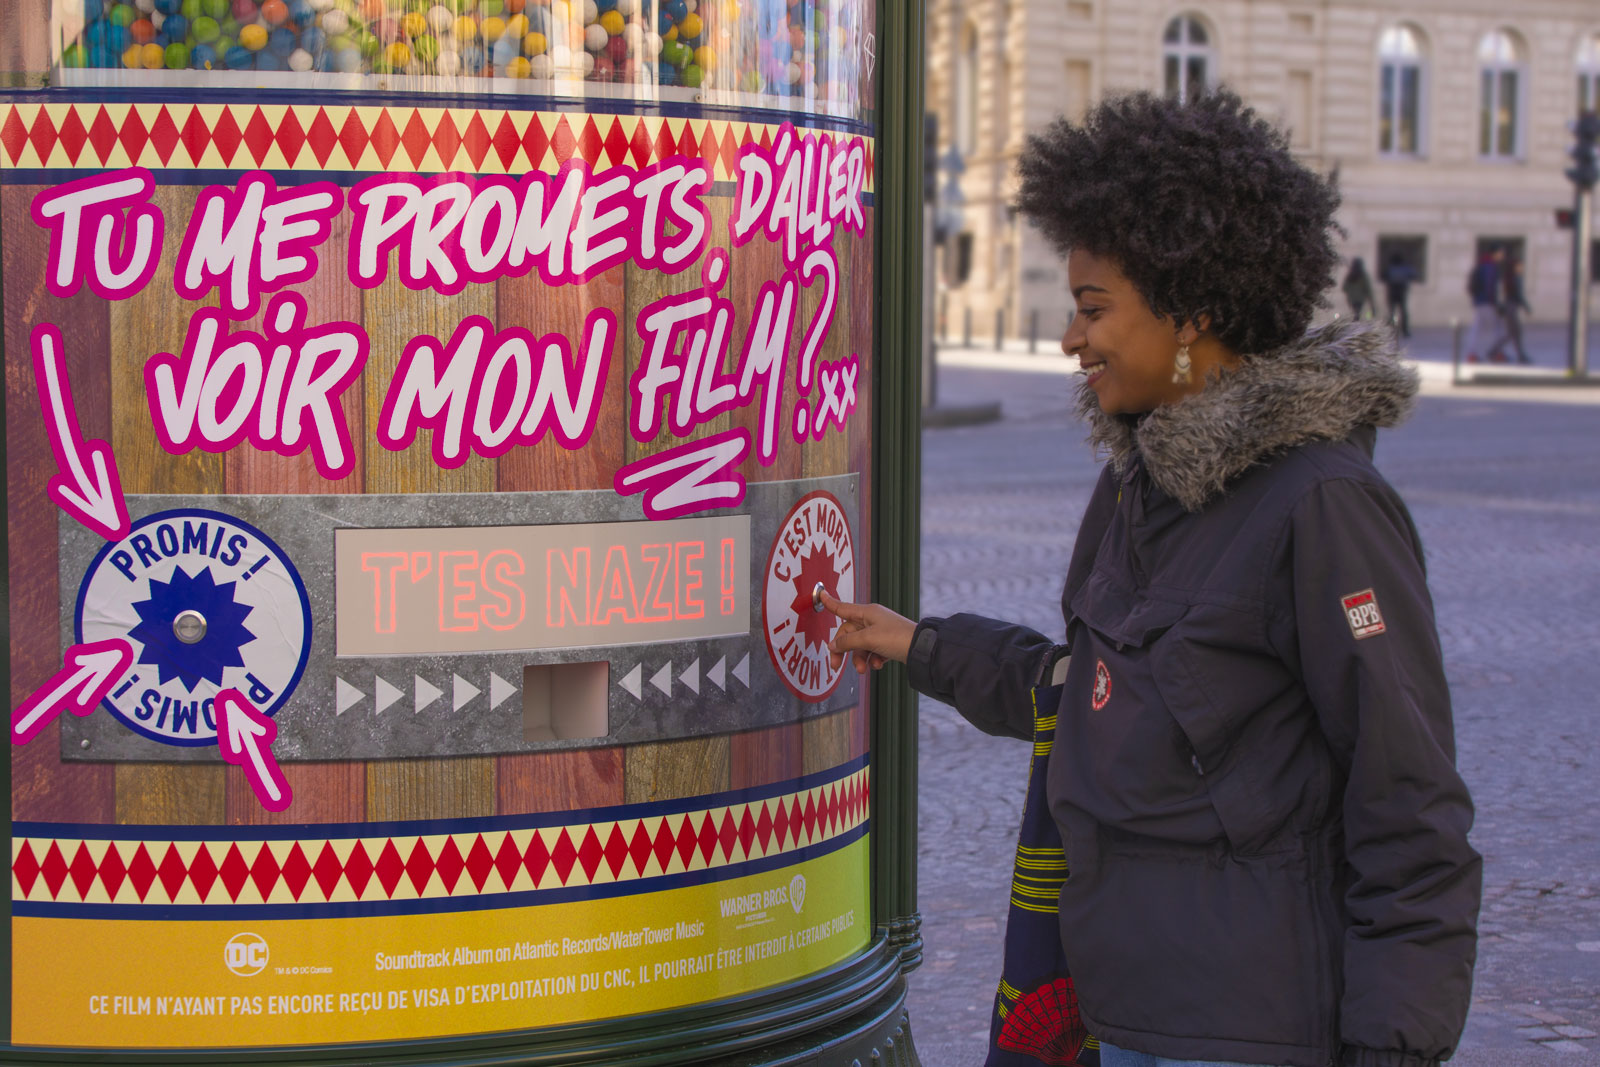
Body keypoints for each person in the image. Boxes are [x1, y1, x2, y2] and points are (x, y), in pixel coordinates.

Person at [823, 89, 1481, 1067]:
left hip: (1252, 1029)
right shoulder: (1137, 481)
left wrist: (1390, 1044)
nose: (1069, 339)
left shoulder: (1322, 504)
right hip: (1115, 1013)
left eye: (1093, 309)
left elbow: (1408, 799)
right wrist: (919, 644)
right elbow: (1089, 693)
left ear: (1192, 311)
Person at [1489, 256, 1531, 364]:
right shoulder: (1515, 278)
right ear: (1515, 267)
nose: (1522, 268)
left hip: (1510, 308)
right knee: (1513, 333)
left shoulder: (1512, 278)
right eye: (1520, 266)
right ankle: (1495, 351)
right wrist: (1526, 307)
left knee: (1513, 333)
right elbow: (1518, 295)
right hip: (1511, 308)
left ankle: (1520, 355)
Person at [1464, 246, 1503, 363]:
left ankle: (1472, 353)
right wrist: (1495, 303)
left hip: (1479, 302)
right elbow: (1489, 287)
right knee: (1495, 329)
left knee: (1476, 329)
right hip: (1487, 303)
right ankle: (1495, 353)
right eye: (1501, 253)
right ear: (1495, 253)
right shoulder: (1490, 267)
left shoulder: (1482, 264)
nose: (1502, 256)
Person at [1379, 251, 1416, 338]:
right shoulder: (1405, 268)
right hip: (1402, 292)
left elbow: (1383, 276)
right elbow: (1413, 275)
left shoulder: (1390, 268)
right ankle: (1405, 330)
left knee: (1392, 312)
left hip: (1392, 292)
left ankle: (1391, 329)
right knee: (1404, 312)